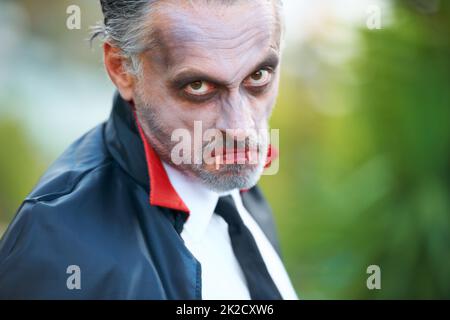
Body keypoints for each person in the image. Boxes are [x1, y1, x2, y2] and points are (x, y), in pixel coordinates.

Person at [0, 0, 297, 299]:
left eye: (258, 77)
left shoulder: (226, 176)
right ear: (122, 69)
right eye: (198, 86)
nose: (241, 128)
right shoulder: (59, 244)